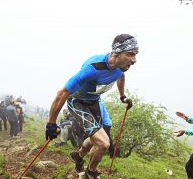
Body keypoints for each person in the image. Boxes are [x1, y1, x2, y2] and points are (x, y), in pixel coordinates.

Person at [46, 34, 138, 179]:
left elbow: (120, 76)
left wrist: (122, 96)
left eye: (136, 54)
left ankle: (78, 155)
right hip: (77, 102)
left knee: (96, 137)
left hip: (94, 101)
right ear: (116, 53)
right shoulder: (93, 68)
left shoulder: (121, 67)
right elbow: (62, 93)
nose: (134, 60)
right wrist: (51, 124)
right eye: (130, 54)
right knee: (103, 143)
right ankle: (91, 172)